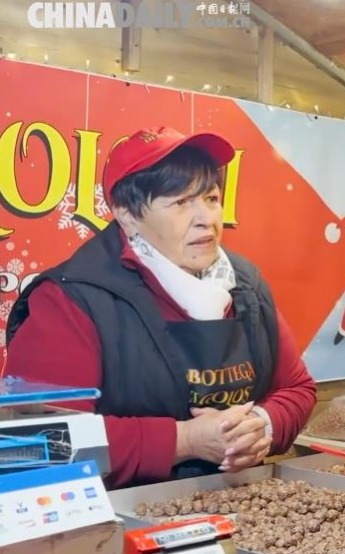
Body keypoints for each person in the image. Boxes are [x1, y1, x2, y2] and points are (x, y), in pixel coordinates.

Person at [3, 127, 317, 489]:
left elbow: (297, 388)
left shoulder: (245, 285)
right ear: (127, 215)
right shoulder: (71, 299)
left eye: (212, 198)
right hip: (118, 514)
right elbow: (35, 443)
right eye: (181, 203)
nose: (207, 218)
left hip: (237, 502)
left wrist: (262, 425)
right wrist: (183, 441)